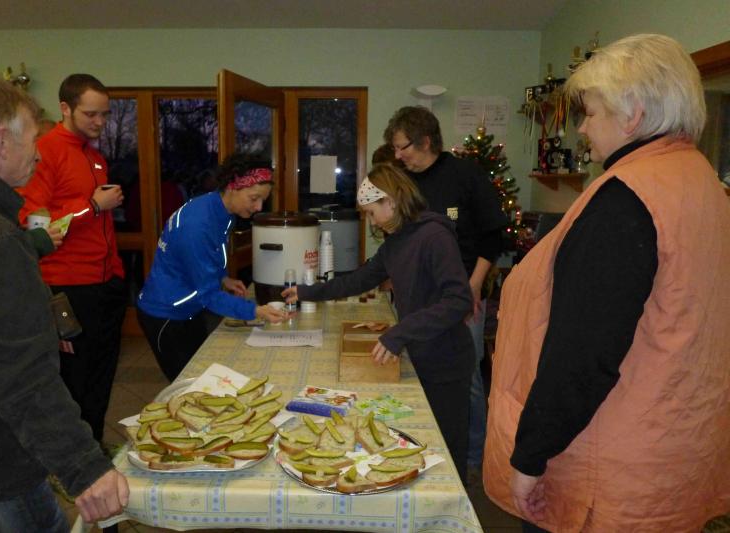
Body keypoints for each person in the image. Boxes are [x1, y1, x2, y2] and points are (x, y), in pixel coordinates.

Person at [483, 34, 730, 532]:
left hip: (607, 467)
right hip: (674, 458)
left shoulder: (625, 201)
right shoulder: (705, 185)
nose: (582, 128)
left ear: (632, 114)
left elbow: (582, 352)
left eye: (591, 113)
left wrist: (530, 456)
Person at [0, 75, 128, 531]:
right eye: (32, 139)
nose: (38, 154)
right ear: (1, 141)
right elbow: (19, 376)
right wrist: (84, 467)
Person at [282, 163, 475, 481]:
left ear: (392, 202)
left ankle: (456, 500)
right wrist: (306, 291)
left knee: (448, 452)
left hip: (446, 361)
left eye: (372, 213)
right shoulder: (396, 241)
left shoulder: (434, 236)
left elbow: (458, 301)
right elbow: (358, 280)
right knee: (423, 445)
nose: (371, 221)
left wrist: (399, 332)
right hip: (421, 353)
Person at [384, 106, 507, 480]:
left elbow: (493, 236)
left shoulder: (465, 176)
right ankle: (429, 448)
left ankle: (473, 459)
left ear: (425, 141)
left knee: (467, 381)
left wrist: (472, 286)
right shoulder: (405, 180)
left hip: (462, 296)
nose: (398, 156)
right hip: (418, 302)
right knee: (419, 373)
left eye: (403, 147)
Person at [18, 73, 126, 448]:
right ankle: (73, 460)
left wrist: (116, 273)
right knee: (74, 381)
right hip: (70, 286)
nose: (100, 122)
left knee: (101, 376)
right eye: (90, 114)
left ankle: (93, 449)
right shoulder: (45, 152)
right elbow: (34, 224)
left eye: (105, 114)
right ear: (65, 108)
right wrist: (92, 205)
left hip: (105, 283)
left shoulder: (94, 156)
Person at [137, 152, 287, 381]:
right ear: (233, 186)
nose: (258, 207)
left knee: (203, 375)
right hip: (166, 314)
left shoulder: (221, 211)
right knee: (188, 384)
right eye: (254, 198)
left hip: (190, 307)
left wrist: (223, 278)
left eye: (262, 200)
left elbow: (209, 255)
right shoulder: (197, 225)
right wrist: (255, 311)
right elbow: (208, 295)